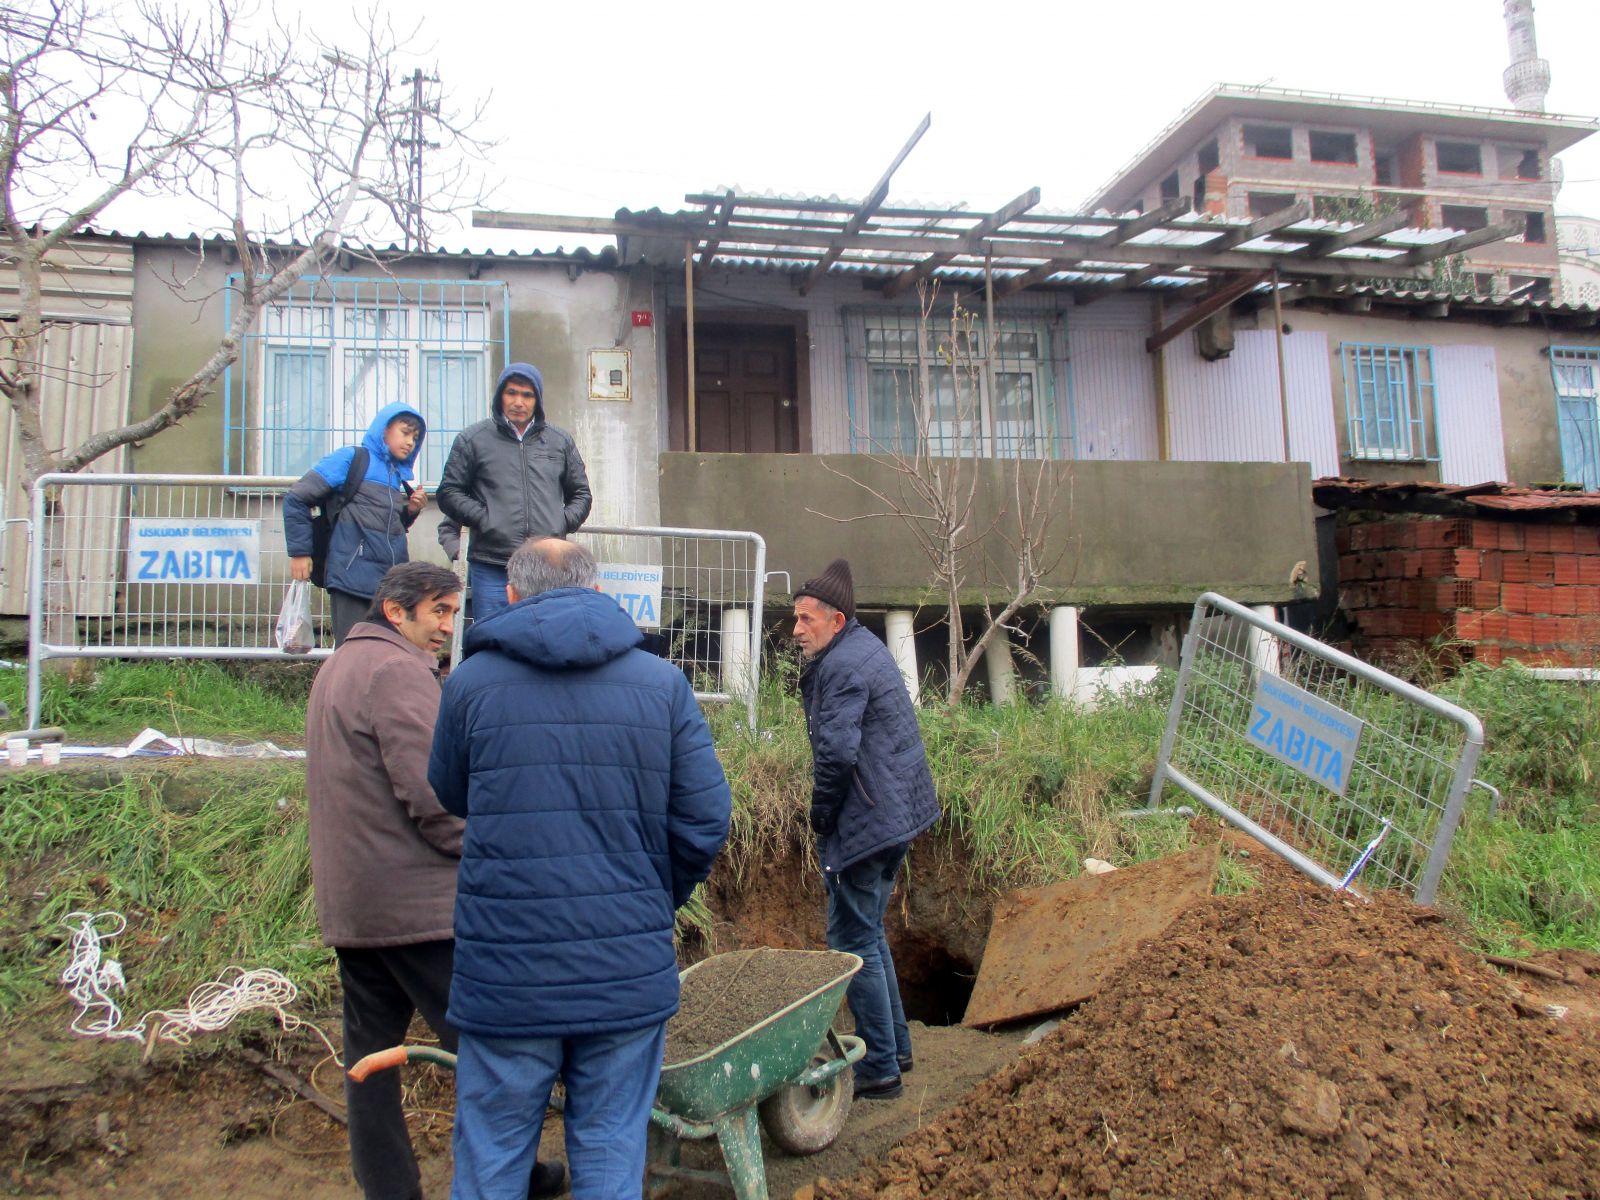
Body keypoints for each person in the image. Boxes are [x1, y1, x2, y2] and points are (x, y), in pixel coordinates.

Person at [430, 537, 731, 1200]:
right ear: (600, 594)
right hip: (624, 972)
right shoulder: (662, 684)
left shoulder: (470, 684)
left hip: (507, 975)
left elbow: (450, 794)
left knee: (490, 1157)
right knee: (609, 1153)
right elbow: (706, 818)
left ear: (509, 596)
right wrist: (655, 899)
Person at [304, 562, 565, 1200]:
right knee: (498, 1054)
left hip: (357, 906)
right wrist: (495, 859)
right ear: (397, 612)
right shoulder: (397, 672)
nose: (449, 627)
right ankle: (515, 1176)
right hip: (419, 908)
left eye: (452, 613)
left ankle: (391, 1191)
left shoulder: (339, 666)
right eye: (438, 613)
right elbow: (437, 798)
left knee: (370, 1062)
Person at [792, 558, 941, 1102]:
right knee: (870, 933)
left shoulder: (842, 666)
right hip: (894, 813)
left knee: (851, 940)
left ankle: (879, 1068)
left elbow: (835, 755)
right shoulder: (861, 648)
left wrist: (822, 816)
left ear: (836, 620)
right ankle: (894, 1049)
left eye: (807, 619)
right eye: (796, 618)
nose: (797, 629)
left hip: (870, 819)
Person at [435, 362, 592, 627]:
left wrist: (560, 523)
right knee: (495, 635)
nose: (519, 401)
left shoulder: (559, 441)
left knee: (547, 632)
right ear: (500, 396)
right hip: (493, 564)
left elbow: (581, 494)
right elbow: (449, 491)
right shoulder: (473, 439)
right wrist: (486, 518)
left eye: (527, 395)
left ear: (538, 400)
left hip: (547, 563)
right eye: (512, 393)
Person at [283, 402, 429, 646]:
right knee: (353, 654)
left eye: (415, 437)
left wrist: (410, 512)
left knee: (386, 655)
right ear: (383, 430)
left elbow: (381, 524)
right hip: (351, 580)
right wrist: (299, 552)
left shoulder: (396, 475)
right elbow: (297, 498)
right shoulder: (352, 458)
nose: (411, 442)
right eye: (405, 432)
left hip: (390, 584)